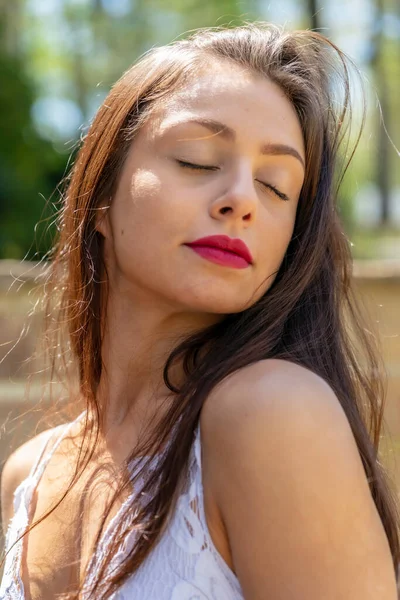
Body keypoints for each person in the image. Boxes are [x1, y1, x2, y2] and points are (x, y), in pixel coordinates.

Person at [0, 22, 399, 600]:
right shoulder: (26, 478)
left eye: (275, 185)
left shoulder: (272, 411)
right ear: (102, 198)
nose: (241, 199)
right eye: (196, 160)